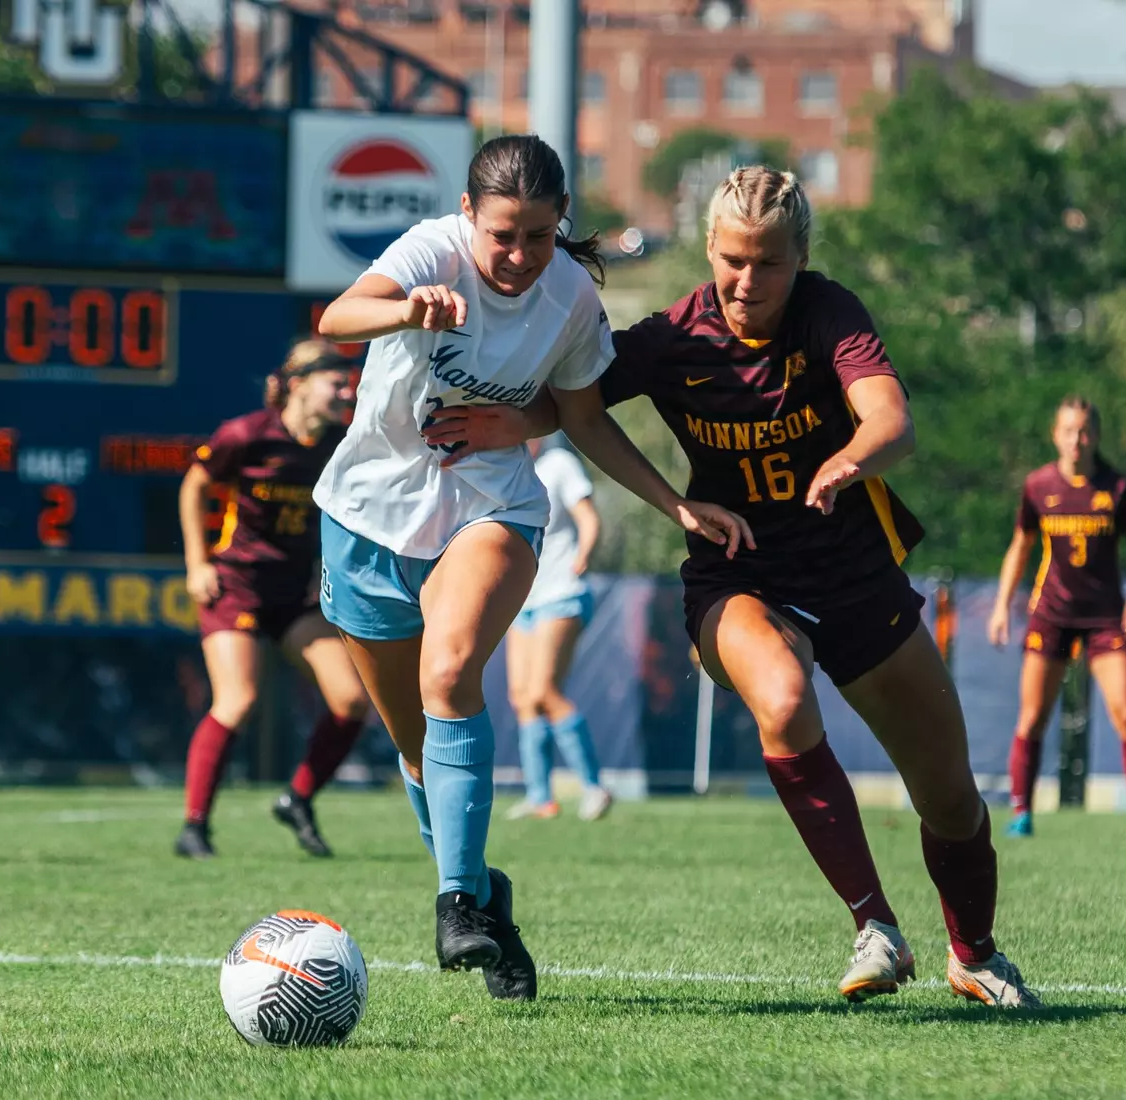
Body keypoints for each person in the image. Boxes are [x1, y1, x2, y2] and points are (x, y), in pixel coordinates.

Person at [425, 167, 1040, 1008]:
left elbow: (891, 418)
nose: (748, 281)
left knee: (953, 802)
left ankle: (973, 953)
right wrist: (517, 421)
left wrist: (852, 458)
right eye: (733, 260)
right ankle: (876, 927)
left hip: (856, 575)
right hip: (735, 574)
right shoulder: (674, 337)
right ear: (709, 249)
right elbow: (575, 404)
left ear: (801, 258)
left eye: (770, 263)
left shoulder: (830, 313)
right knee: (782, 698)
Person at [313, 134, 750, 1003]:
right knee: (413, 748)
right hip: (363, 519)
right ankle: (485, 897)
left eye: (540, 237)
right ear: (469, 214)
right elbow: (335, 318)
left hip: (488, 506)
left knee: (451, 671)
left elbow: (584, 418)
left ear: (561, 229)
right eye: (503, 235)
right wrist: (407, 309)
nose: (519, 257)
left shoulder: (570, 296)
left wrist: (675, 505)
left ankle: (455, 903)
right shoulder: (431, 251)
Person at [175, 340, 372, 860]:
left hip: (293, 591)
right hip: (235, 584)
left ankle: (298, 797)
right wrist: (197, 563)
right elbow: (194, 485)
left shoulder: (340, 442)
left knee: (352, 701)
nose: (345, 391)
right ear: (298, 383)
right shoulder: (247, 435)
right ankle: (195, 826)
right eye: (336, 381)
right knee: (238, 700)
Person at [987, 396, 1126, 841]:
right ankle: (1021, 813)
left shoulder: (1118, 488)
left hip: (1105, 618)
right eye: (1068, 431)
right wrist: (1002, 605)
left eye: (1084, 431)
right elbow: (1020, 549)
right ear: (1055, 435)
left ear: (1096, 435)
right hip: (1051, 614)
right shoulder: (1038, 485)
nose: (1076, 440)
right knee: (1033, 717)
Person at [504, 436, 612, 823]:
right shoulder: (507, 465)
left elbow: (588, 518)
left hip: (561, 592)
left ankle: (594, 787)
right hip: (523, 599)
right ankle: (540, 798)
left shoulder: (560, 463)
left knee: (545, 692)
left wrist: (584, 555)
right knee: (523, 697)